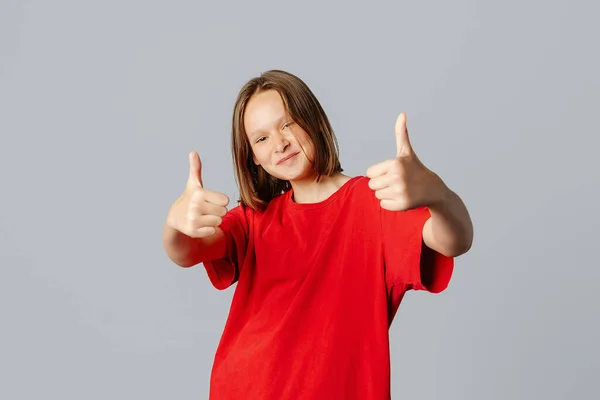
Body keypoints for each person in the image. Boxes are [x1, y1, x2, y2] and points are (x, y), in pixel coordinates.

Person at [162, 70, 473, 399]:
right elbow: (187, 251)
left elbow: (454, 240)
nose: (280, 143)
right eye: (261, 138)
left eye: (287, 124)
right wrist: (175, 225)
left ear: (312, 119)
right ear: (252, 156)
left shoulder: (373, 204)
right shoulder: (254, 220)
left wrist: (439, 195)